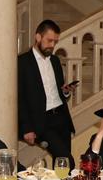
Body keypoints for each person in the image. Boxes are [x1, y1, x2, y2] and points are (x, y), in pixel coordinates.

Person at [18, 19, 77, 167]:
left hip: (62, 117)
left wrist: (65, 92)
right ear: (38, 37)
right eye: (49, 40)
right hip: (42, 122)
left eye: (55, 42)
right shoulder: (22, 62)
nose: (52, 45)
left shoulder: (55, 61)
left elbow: (59, 91)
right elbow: (19, 98)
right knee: (67, 160)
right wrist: (26, 128)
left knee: (62, 164)